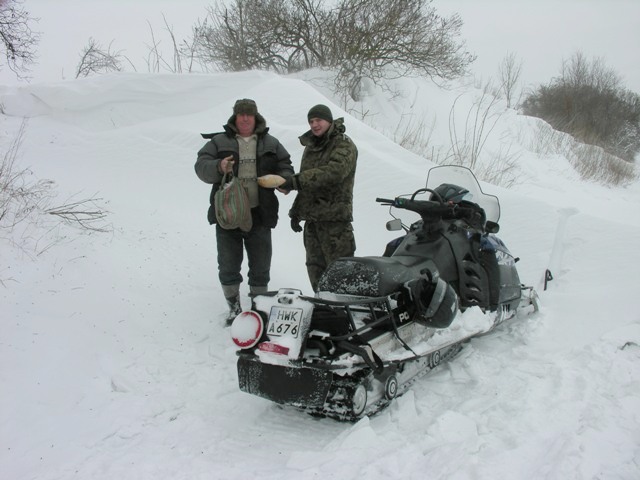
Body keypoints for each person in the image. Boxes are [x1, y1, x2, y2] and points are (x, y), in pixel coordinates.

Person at [195, 98, 293, 323]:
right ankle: (234, 308)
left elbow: (285, 165)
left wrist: (284, 180)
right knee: (228, 264)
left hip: (260, 213)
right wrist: (218, 167)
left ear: (256, 116)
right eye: (241, 114)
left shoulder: (270, 142)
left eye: (249, 114)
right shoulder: (219, 142)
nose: (246, 118)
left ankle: (258, 309)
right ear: (235, 117)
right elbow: (201, 166)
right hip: (228, 214)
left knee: (260, 266)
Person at [282, 104, 358, 292]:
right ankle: (325, 313)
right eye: (311, 121)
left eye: (318, 120)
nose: (314, 125)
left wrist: (294, 181)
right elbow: (308, 184)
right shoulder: (311, 147)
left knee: (341, 275)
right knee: (315, 272)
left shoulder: (343, 144)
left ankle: (346, 317)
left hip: (335, 224)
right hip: (313, 223)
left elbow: (334, 172)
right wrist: (296, 212)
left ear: (329, 120)